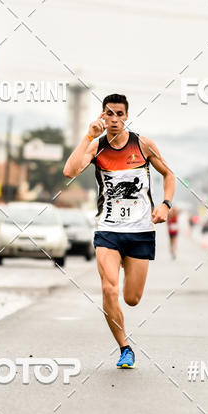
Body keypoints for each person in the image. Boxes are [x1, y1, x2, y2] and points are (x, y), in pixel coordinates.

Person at [63, 94, 175, 369]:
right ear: (102, 115)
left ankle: (127, 269)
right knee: (108, 288)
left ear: (127, 116)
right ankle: (125, 348)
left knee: (131, 299)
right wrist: (87, 137)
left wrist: (165, 204)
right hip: (108, 230)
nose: (114, 119)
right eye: (108, 114)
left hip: (140, 232)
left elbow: (169, 176)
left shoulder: (144, 145)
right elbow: (69, 171)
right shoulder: (96, 147)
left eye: (119, 114)